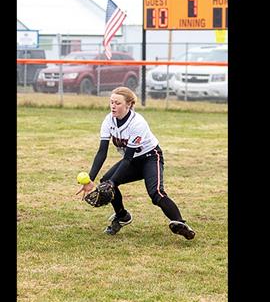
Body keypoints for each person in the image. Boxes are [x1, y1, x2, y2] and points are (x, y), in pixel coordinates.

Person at [76, 87, 196, 240]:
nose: (113, 106)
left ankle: (180, 224)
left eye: (118, 103)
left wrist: (113, 182)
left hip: (150, 158)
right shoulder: (108, 120)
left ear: (129, 105)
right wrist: (90, 179)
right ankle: (122, 216)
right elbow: (102, 152)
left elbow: (127, 158)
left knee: (156, 194)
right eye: (111, 102)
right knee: (106, 182)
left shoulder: (137, 123)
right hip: (132, 161)